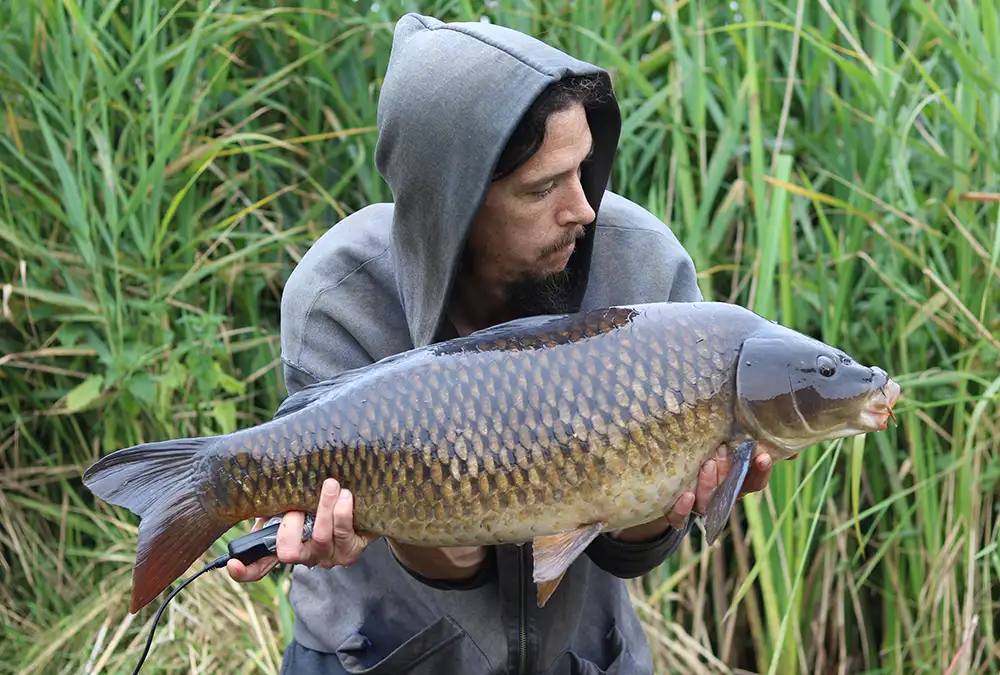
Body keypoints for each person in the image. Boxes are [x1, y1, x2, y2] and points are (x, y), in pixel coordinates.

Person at [227, 12, 777, 675]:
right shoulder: (339, 295)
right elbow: (443, 556)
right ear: (454, 206)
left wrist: (658, 508)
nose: (583, 209)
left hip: (580, 654)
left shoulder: (644, 271)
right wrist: (385, 514)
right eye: (543, 187)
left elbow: (626, 553)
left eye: (584, 166)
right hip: (378, 653)